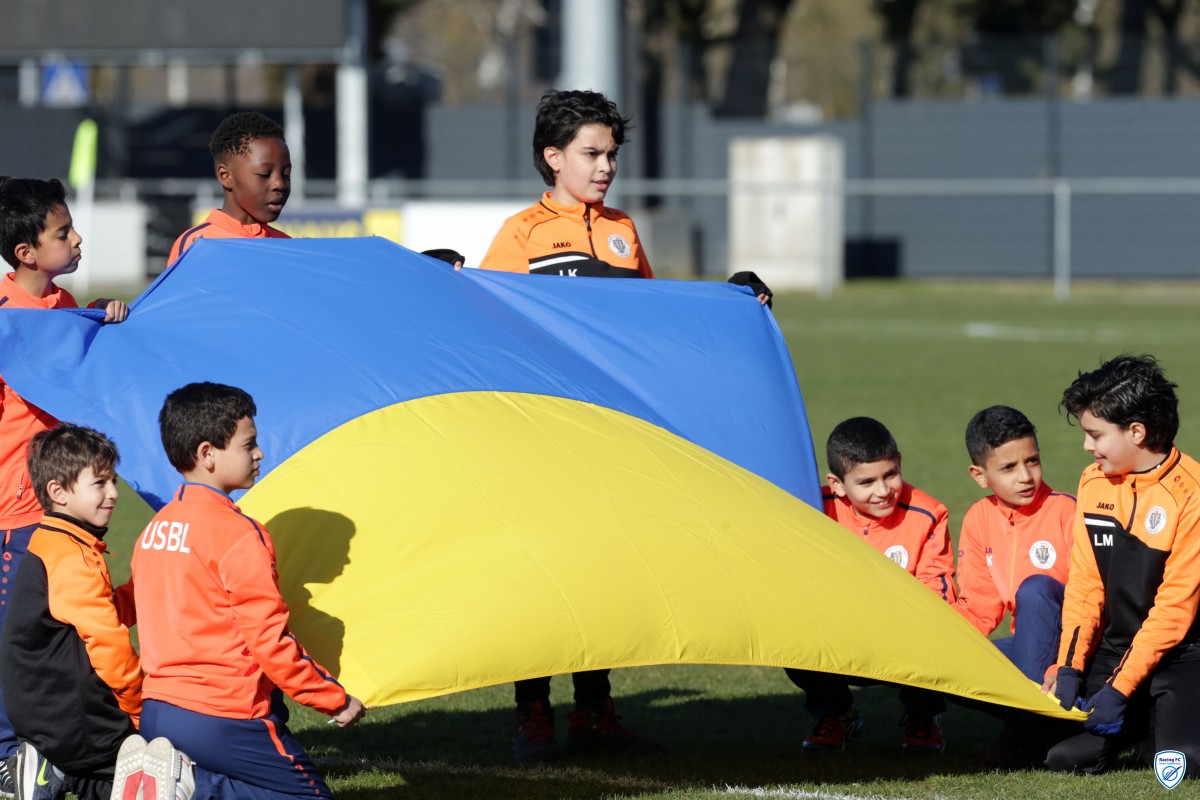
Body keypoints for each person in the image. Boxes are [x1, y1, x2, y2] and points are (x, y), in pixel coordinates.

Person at [118, 382, 365, 799]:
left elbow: (129, 604)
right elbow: (270, 642)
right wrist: (334, 700)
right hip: (224, 716)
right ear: (207, 454)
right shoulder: (238, 534)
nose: (259, 453)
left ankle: (187, 783)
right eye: (248, 444)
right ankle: (192, 787)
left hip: (157, 713)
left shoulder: (154, 530)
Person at [0, 176, 127, 795]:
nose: (76, 239)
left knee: (61, 632)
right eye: (62, 232)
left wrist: (105, 319)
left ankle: (46, 749)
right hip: (13, 512)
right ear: (26, 252)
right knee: (17, 638)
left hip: (58, 503)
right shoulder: (4, 322)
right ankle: (9, 756)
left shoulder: (62, 304)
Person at [1043, 355, 1200, 777]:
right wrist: (1070, 665)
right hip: (1116, 650)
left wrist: (1119, 689)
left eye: (1095, 434)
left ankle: (1162, 720)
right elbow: (1085, 584)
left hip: (1183, 655)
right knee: (1061, 756)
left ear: (1136, 432)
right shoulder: (1093, 481)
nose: (1086, 447)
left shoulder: (1192, 494)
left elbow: (1173, 612)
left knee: (1176, 767)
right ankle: (1142, 718)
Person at [477, 89, 771, 304]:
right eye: (591, 154)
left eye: (611, 154)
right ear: (554, 157)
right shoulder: (522, 231)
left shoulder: (623, 227)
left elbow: (654, 306)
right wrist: (441, 274)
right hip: (555, 388)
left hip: (612, 389)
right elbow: (483, 311)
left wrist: (736, 299)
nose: (606, 167)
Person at [787, 417, 955, 753]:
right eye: (866, 482)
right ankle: (836, 713)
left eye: (890, 475)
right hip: (841, 635)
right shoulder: (812, 510)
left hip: (904, 636)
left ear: (900, 463)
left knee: (937, 623)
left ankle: (923, 716)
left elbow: (937, 594)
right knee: (790, 627)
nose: (882, 490)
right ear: (837, 484)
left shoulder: (929, 514)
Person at [0, 425, 142, 800]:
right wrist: (141, 712)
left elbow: (99, 611)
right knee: (165, 771)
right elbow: (110, 645)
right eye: (99, 483)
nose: (113, 494)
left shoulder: (51, 538)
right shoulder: (73, 557)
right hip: (72, 719)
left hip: (40, 711)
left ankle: (51, 767)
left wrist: (145, 591)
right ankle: (58, 764)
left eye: (113, 481)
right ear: (58, 492)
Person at [953, 405, 1075, 766]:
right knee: (954, 663)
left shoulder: (1069, 513)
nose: (1026, 476)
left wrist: (1061, 670)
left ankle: (1022, 736)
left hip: (1074, 656)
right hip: (1028, 654)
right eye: (1008, 467)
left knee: (1036, 588)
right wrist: (930, 641)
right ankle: (1035, 727)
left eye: (1032, 461)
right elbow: (978, 607)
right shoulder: (978, 519)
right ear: (979, 475)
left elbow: (1097, 605)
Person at [166, 112, 290, 266]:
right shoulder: (194, 245)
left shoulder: (288, 246)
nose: (279, 184)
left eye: (286, 175)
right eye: (264, 174)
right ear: (225, 176)